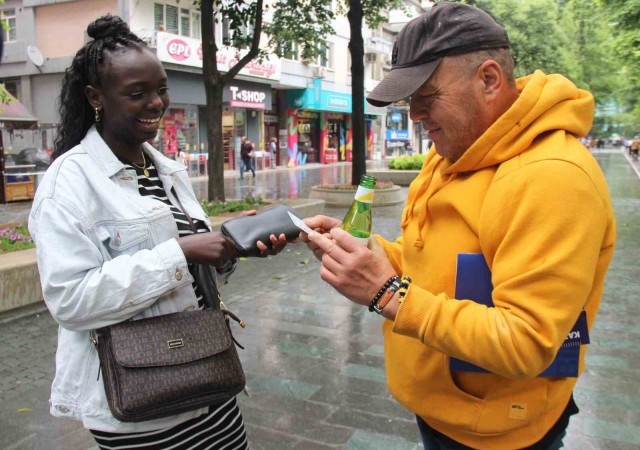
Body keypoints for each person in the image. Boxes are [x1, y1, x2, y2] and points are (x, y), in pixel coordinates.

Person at [301, 2, 616, 449]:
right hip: (445, 410)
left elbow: (527, 342)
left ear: (488, 79)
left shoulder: (553, 177)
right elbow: (432, 261)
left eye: (426, 96)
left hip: (496, 432)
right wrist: (367, 256)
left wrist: (388, 293)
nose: (414, 115)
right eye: (409, 99)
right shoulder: (457, 148)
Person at [28, 15, 287, 450]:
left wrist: (229, 250)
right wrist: (180, 253)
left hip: (210, 381)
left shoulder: (165, 169)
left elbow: (193, 279)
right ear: (96, 97)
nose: (156, 103)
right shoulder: (68, 184)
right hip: (143, 404)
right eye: (137, 93)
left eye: (161, 89)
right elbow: (69, 302)